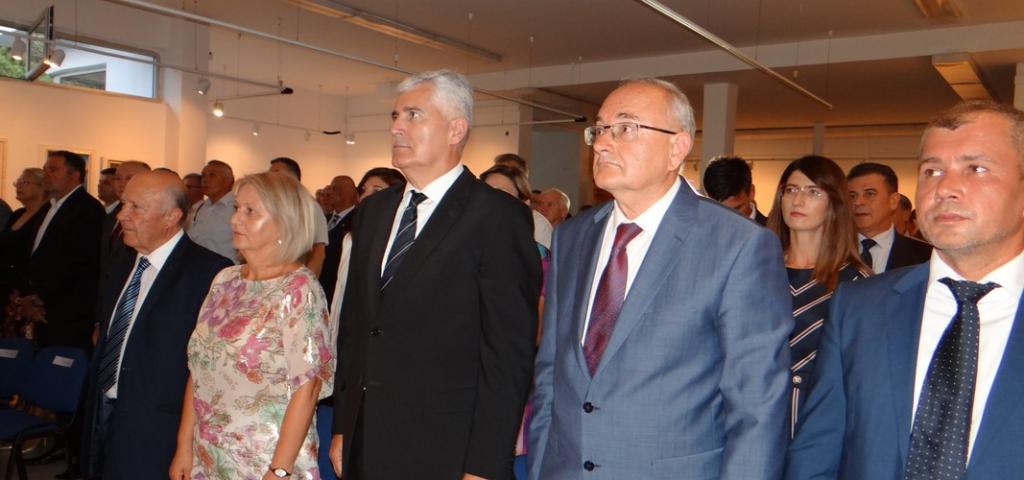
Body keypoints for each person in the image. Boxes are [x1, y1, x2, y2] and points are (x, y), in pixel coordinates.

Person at [528, 78, 791, 480]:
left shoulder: (737, 245)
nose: (602, 143)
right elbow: (552, 372)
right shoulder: (573, 237)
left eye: (625, 128)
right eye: (599, 129)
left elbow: (757, 407)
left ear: (676, 147)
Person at [785, 100, 1024, 479]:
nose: (945, 188)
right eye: (932, 171)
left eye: (976, 168)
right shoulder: (860, 307)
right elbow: (818, 451)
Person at [329, 70, 540, 480]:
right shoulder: (373, 212)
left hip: (447, 448)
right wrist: (343, 425)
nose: (396, 127)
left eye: (413, 115)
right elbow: (356, 329)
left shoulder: (497, 217)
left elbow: (507, 355)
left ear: (456, 129)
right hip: (365, 440)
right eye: (395, 116)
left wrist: (486, 464)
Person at [171, 172, 334, 480]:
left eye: (250, 211)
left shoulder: (299, 289)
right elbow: (200, 368)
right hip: (209, 453)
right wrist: (184, 446)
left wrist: (280, 470)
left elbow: (308, 387)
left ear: (284, 224)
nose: (235, 219)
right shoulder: (225, 280)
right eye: (236, 208)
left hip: (265, 458)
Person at [81, 171, 231, 479]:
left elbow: (207, 368)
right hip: (102, 413)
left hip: (158, 431)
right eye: (124, 204)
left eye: (135, 207)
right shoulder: (123, 260)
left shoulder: (210, 273)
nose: (122, 215)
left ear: (171, 217)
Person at [765, 155, 870, 438]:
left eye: (813, 192)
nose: (798, 201)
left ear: (834, 203)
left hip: (821, 422)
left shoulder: (855, 281)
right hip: (756, 416)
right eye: (791, 190)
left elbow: (862, 371)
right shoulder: (755, 269)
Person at [25, 150, 105, 348]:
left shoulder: (89, 209)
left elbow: (78, 262)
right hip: (41, 306)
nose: (46, 174)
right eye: (45, 169)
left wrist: (40, 299)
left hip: (68, 311)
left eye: (53, 170)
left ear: (74, 174)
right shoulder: (47, 207)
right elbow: (37, 255)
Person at [848, 162, 931, 273]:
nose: (858, 202)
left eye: (870, 194)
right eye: (852, 196)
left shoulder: (926, 256)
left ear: (893, 201)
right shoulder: (830, 253)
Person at [0, 168, 49, 337]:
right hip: (6, 285)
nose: (19, 186)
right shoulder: (17, 214)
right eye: (18, 182)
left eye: (25, 182)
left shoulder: (44, 216)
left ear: (42, 187)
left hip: (24, 289)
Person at [269, 157, 330, 276]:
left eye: (275, 173)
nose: (270, 178)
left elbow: (318, 253)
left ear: (293, 177)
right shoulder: (272, 205)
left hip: (293, 279)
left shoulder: (309, 207)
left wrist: (307, 281)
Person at [102, 161, 151, 269]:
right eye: (118, 178)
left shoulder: (151, 218)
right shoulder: (112, 215)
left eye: (129, 178)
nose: (121, 183)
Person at [319, 175, 358, 309]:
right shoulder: (325, 218)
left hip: (337, 286)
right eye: (331, 188)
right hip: (320, 285)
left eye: (335, 188)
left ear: (350, 193)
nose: (330, 192)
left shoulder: (357, 220)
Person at [187, 160, 237, 262]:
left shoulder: (237, 208)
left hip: (226, 269)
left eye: (212, 175)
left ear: (228, 181)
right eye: (203, 176)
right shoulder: (199, 208)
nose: (205, 180)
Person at [703, 155, 768, 225]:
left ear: (751, 193)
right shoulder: (703, 229)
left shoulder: (773, 230)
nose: (729, 218)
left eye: (737, 209)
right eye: (720, 210)